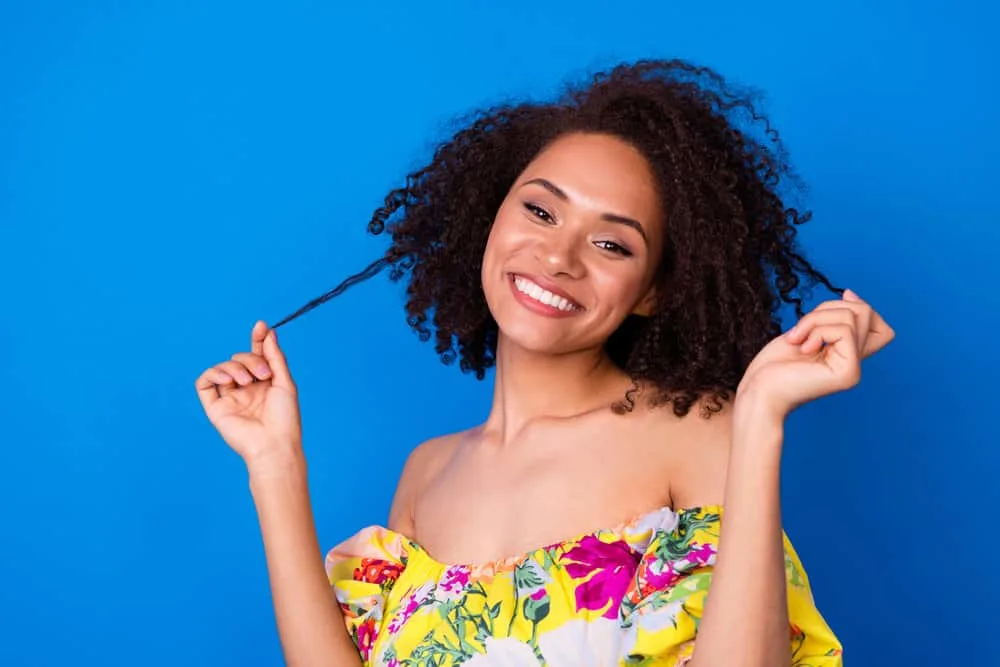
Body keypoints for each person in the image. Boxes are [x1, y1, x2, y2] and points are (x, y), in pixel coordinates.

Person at [195, 59, 893, 666]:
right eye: (540, 211)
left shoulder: (700, 430)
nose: (557, 258)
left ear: (652, 292)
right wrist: (274, 464)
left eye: (613, 244)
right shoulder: (428, 473)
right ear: (488, 219)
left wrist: (763, 415)